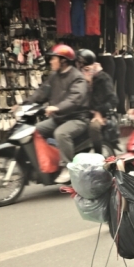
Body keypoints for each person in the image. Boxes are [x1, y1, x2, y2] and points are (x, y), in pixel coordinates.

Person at [29, 44, 88, 184]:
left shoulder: (77, 77)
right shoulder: (54, 77)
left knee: (61, 134)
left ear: (63, 60)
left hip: (77, 118)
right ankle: (47, 163)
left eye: (53, 59)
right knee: (34, 130)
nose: (50, 61)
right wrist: (24, 104)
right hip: (59, 118)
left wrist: (57, 108)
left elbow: (74, 98)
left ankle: (67, 167)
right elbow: (41, 92)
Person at [76, 49, 118, 156]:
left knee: (93, 128)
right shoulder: (79, 78)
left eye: (80, 63)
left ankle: (99, 157)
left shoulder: (103, 78)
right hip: (84, 114)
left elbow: (113, 100)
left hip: (102, 115)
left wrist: (99, 111)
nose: (78, 65)